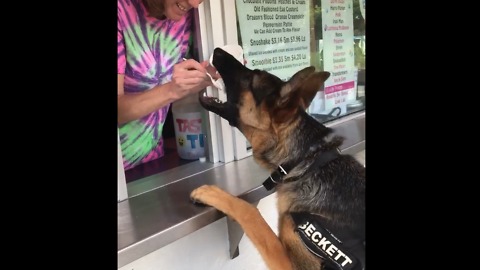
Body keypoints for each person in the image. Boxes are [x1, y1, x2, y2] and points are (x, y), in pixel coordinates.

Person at [118, 0, 217, 170]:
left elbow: (175, 87)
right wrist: (171, 90)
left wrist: (209, 76)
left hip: (153, 160)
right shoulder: (122, 11)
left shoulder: (183, 16)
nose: (195, 4)